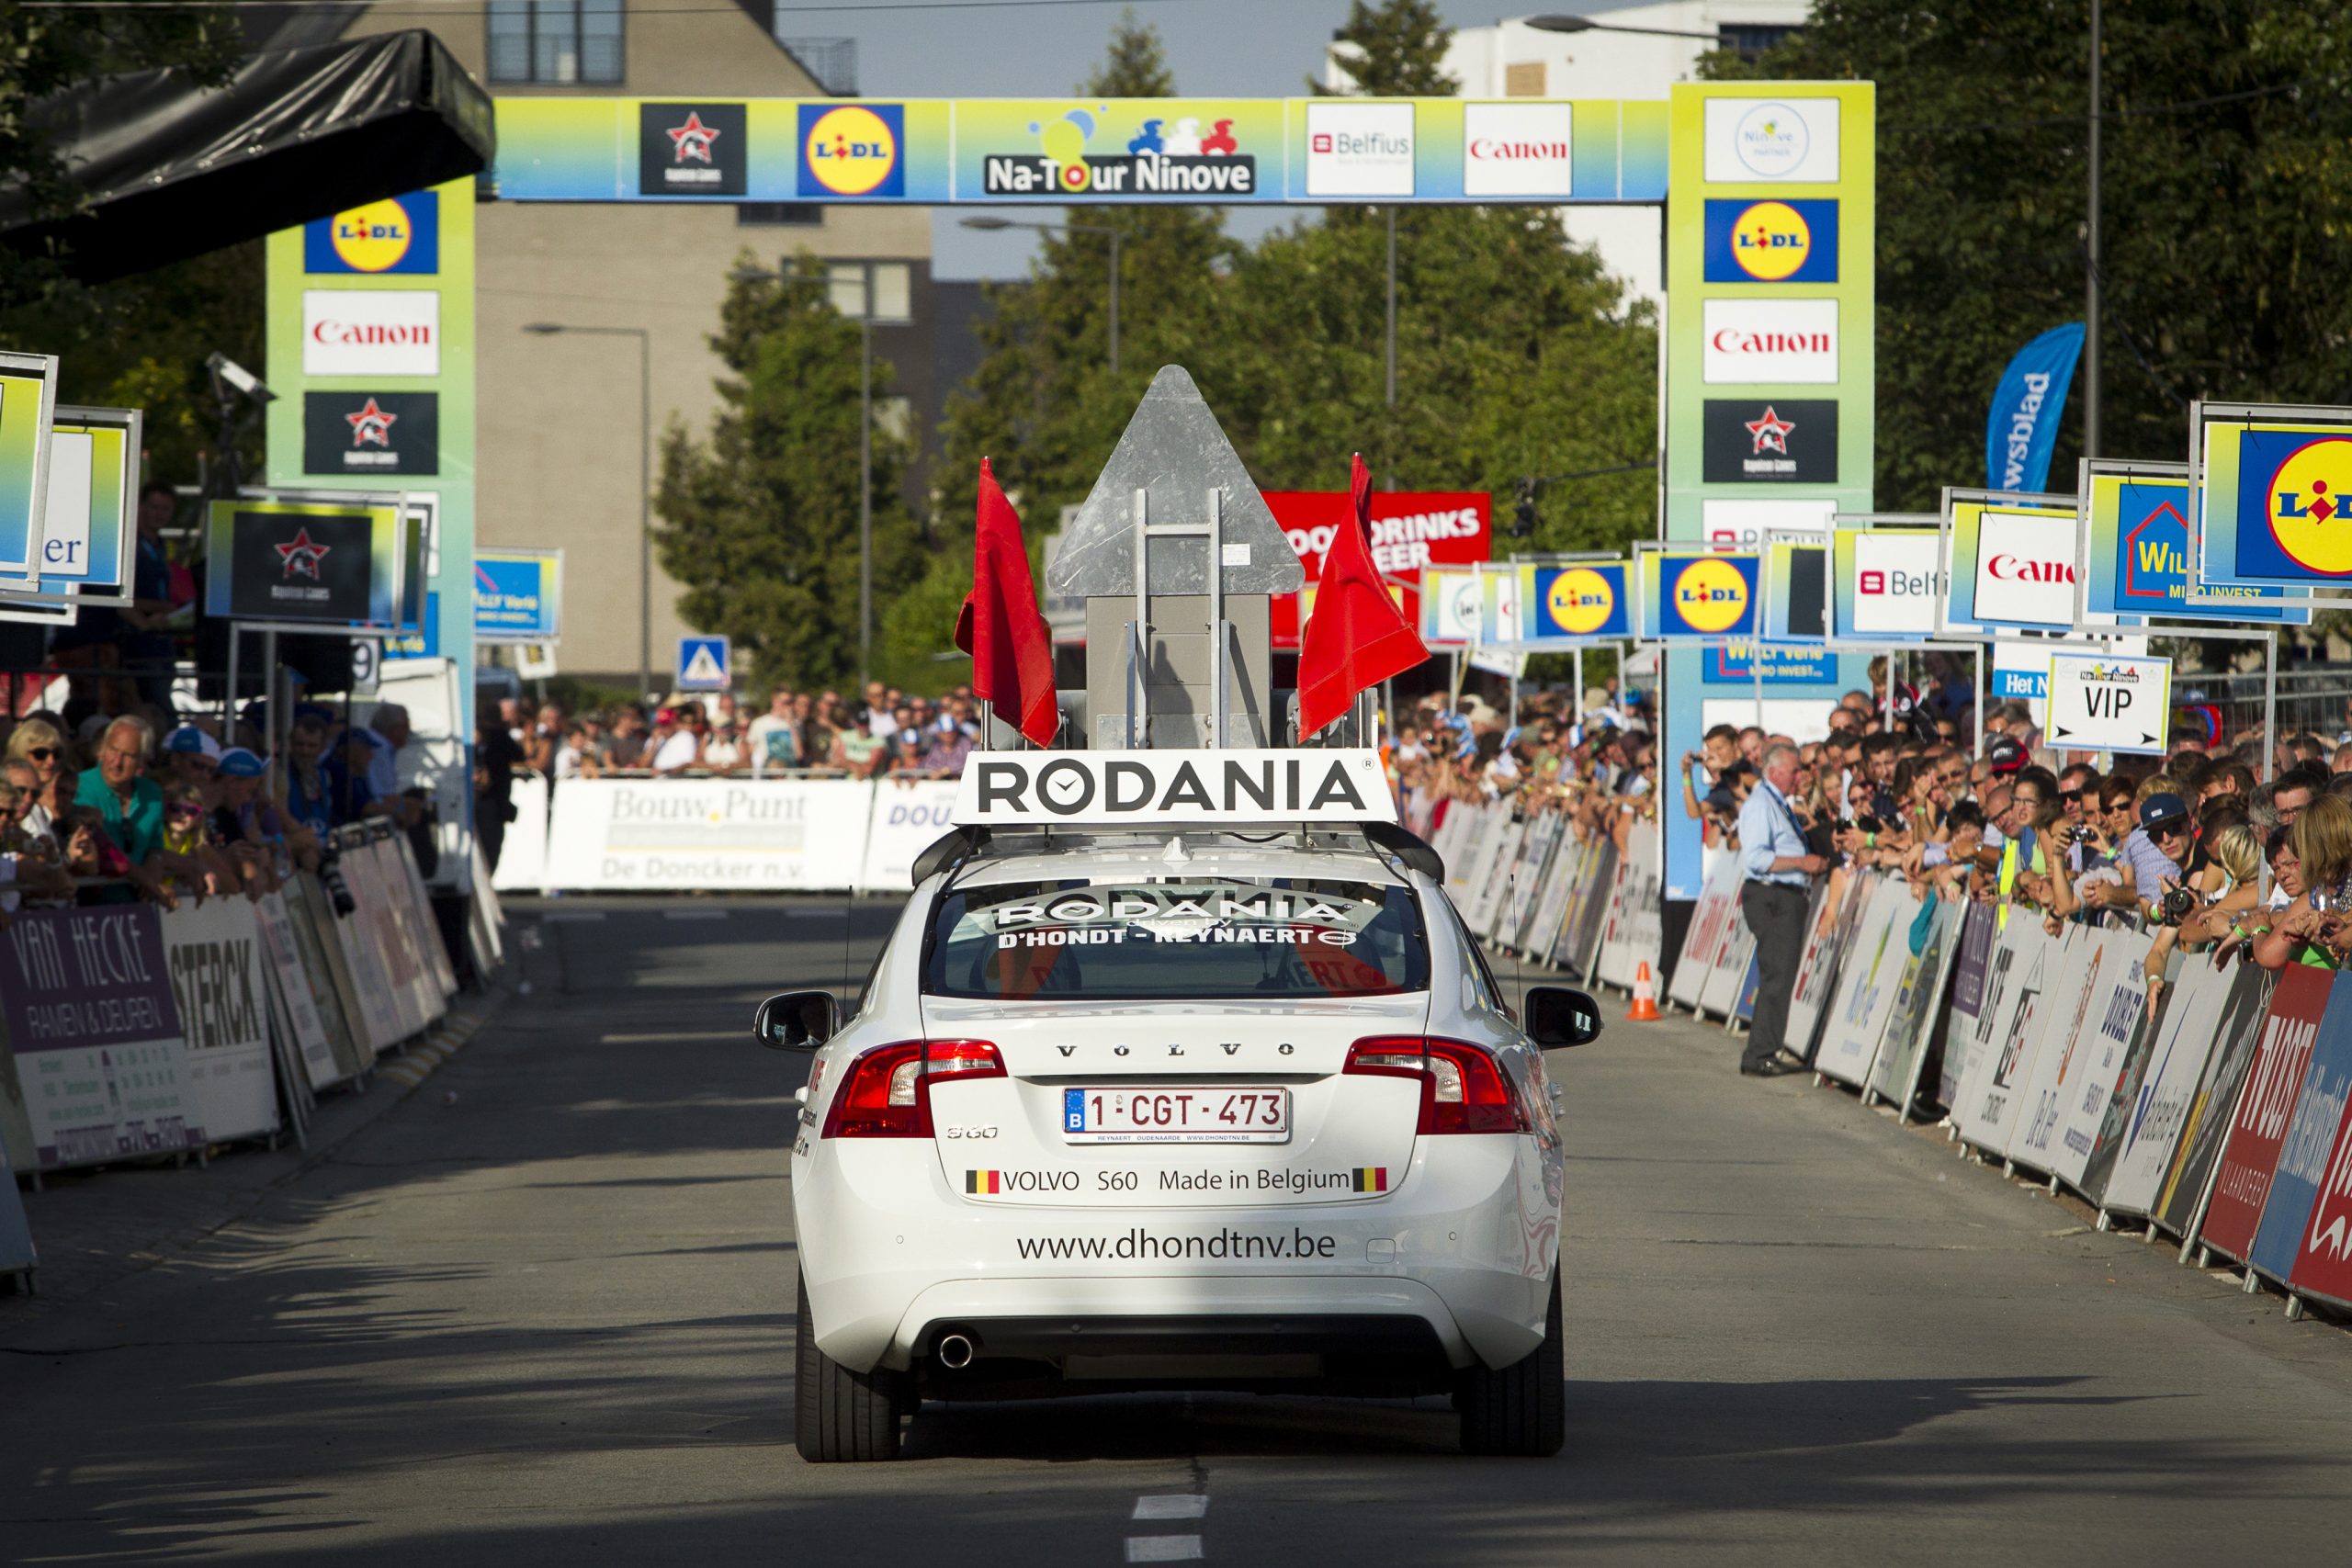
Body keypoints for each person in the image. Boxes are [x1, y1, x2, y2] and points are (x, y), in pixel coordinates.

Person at [1735, 743, 1827, 1079]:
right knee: (1778, 975)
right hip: (1773, 895)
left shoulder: (1775, 802)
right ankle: (1761, 1054)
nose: (1799, 777)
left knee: (1780, 974)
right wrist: (1803, 862)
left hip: (1781, 895)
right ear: (1774, 772)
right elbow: (1757, 858)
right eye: (1794, 771)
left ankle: (1764, 1050)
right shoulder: (1762, 805)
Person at [475, 699, 526, 873]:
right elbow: (519, 754)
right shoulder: (498, 737)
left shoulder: (486, 738)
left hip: (490, 800)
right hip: (493, 801)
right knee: (491, 846)